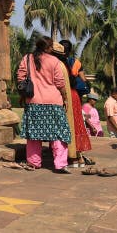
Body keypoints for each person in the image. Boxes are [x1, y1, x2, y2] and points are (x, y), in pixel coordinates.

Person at [17, 37, 72, 173]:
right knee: (58, 133)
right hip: (53, 102)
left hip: (34, 102)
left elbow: (20, 77)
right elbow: (60, 83)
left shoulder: (27, 58)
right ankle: (60, 164)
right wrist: (65, 97)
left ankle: (34, 162)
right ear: (49, 48)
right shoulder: (54, 61)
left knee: (34, 135)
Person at [53, 40, 92, 167]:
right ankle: (79, 156)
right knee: (77, 123)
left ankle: (70, 157)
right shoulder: (75, 62)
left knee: (65, 124)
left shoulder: (56, 64)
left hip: (64, 95)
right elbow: (83, 79)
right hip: (74, 94)